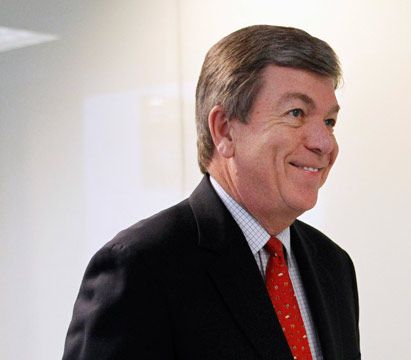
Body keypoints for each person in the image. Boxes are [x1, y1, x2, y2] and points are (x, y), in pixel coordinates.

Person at [62, 25, 360, 360]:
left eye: (330, 122)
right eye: (296, 113)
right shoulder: (141, 267)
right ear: (224, 131)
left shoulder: (333, 265)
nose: (324, 144)